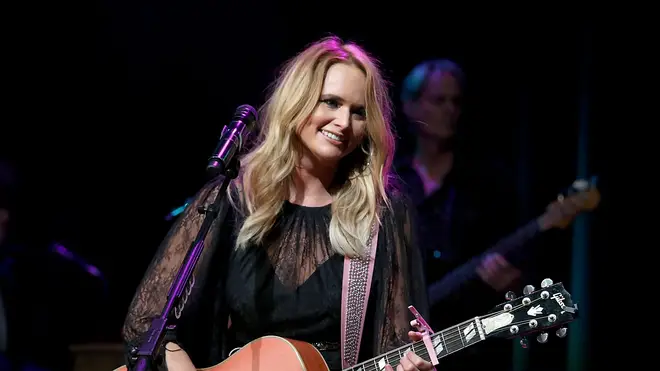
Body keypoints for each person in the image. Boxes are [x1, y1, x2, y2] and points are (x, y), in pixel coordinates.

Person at [121, 36, 434, 371]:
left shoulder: (381, 213)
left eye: (358, 112)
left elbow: (398, 343)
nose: (344, 122)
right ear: (297, 101)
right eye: (330, 102)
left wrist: (411, 365)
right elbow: (148, 325)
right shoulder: (232, 196)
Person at [395, 59, 528, 371]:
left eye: (456, 101)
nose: (450, 110)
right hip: (404, 348)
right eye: (439, 100)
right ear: (411, 107)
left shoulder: (490, 181)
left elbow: (521, 271)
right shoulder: (390, 181)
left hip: (472, 348)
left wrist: (511, 281)